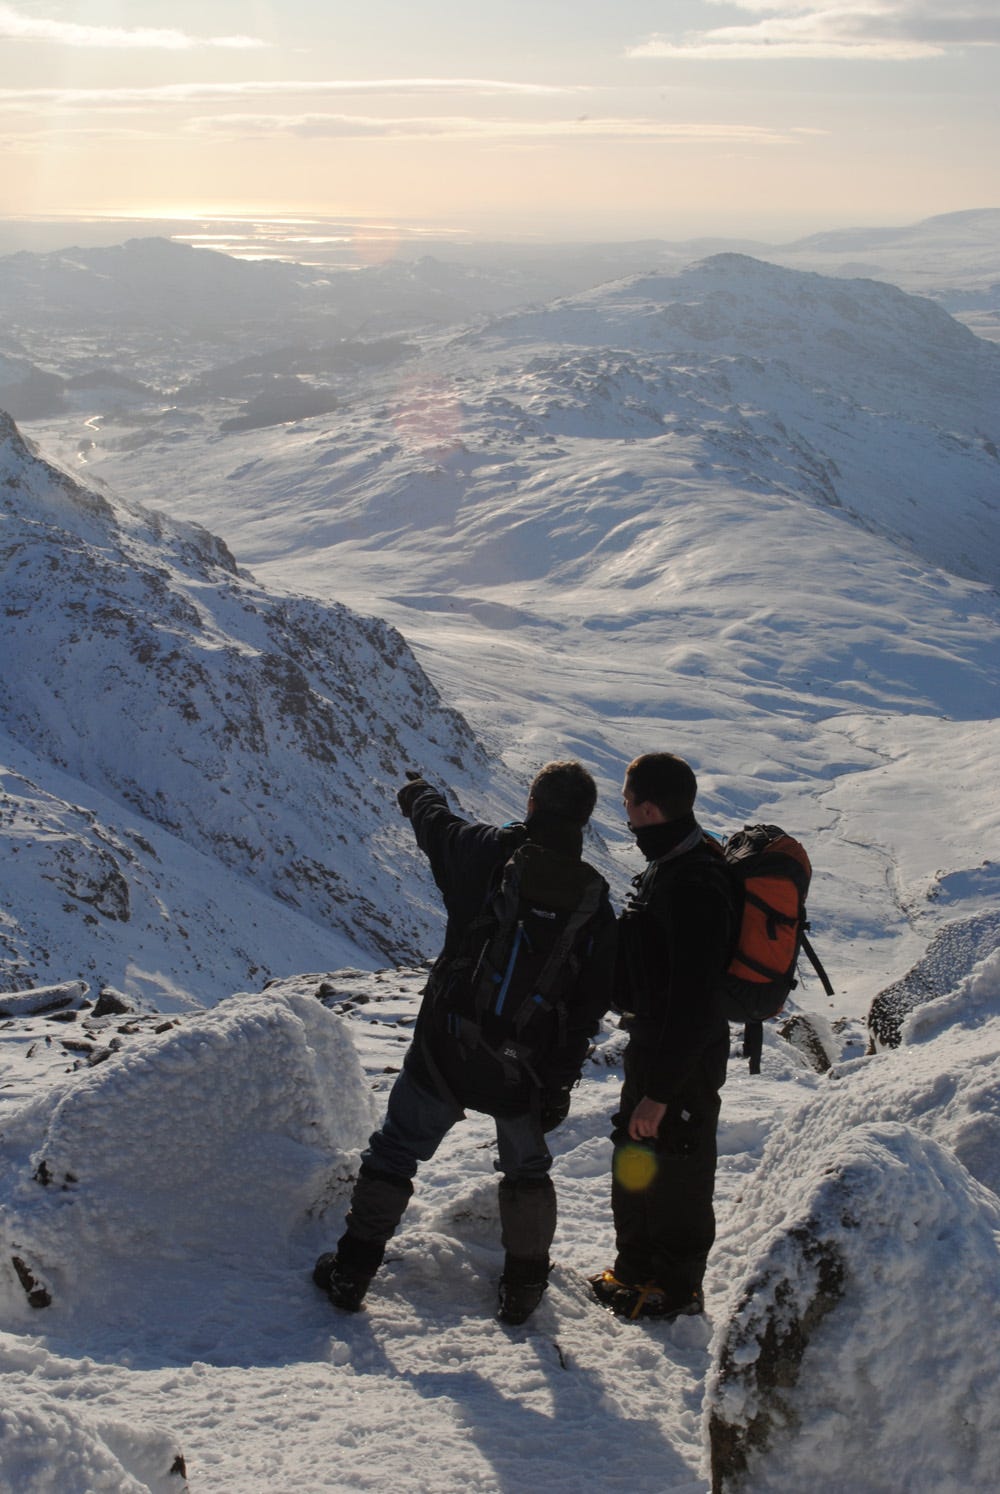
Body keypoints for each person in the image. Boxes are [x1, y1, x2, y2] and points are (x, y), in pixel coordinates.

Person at [314, 761, 617, 1325]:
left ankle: (351, 1272)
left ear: (530, 804)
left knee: (395, 1152)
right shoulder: (593, 901)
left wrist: (416, 792)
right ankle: (523, 1291)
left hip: (445, 1050)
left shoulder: (483, 852)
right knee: (527, 1173)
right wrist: (558, 1080)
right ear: (585, 819)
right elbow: (589, 1005)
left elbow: (435, 824)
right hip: (525, 1069)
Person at [590, 752, 733, 1322]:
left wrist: (661, 1092)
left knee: (678, 1171)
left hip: (684, 1059)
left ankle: (676, 1290)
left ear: (647, 809)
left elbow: (697, 1004)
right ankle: (634, 1271)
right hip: (654, 1044)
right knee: (636, 1156)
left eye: (626, 803)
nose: (623, 812)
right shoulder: (669, 864)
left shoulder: (695, 883)